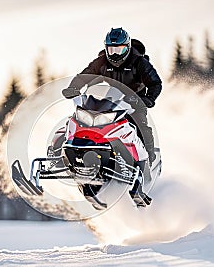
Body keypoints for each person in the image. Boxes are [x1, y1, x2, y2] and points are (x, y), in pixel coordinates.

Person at [62, 27, 162, 164]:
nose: (114, 54)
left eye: (119, 50)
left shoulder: (139, 62)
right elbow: (85, 76)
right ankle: (63, 153)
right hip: (109, 100)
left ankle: (148, 160)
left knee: (141, 126)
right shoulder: (102, 61)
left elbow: (155, 83)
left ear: (127, 47)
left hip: (135, 102)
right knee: (78, 120)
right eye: (111, 50)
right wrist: (73, 88)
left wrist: (148, 99)